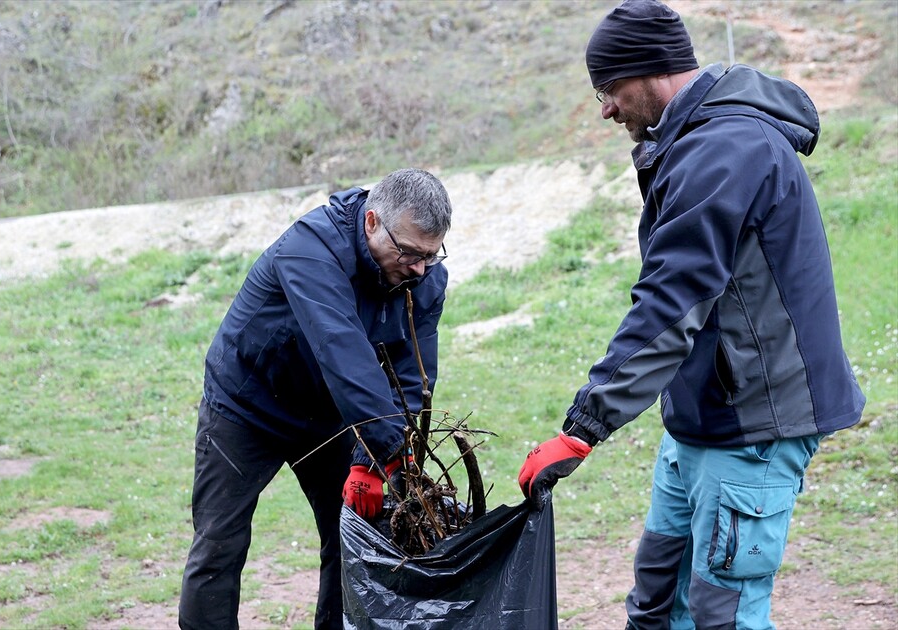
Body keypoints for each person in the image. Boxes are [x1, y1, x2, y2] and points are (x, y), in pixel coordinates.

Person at [517, 1, 865, 628]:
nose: (606, 108)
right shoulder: (692, 143)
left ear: (649, 72)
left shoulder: (724, 151)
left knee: (722, 616)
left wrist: (582, 427)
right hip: (700, 420)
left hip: (754, 424)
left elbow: (671, 301)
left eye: (609, 89)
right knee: (656, 601)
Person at [179, 167, 453, 630]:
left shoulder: (423, 275)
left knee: (353, 537)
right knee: (219, 544)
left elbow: (410, 376)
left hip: (333, 415)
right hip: (247, 406)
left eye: (430, 254)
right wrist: (386, 453)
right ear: (370, 222)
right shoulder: (310, 250)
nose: (420, 268)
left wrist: (370, 463)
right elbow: (342, 351)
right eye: (408, 252)